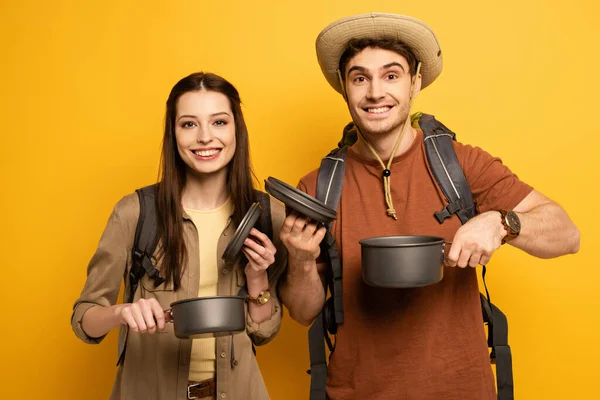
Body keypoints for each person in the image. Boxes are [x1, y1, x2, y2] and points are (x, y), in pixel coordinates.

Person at [278, 12, 580, 399]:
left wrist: (502, 222)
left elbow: (567, 235)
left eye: (391, 75)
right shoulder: (318, 186)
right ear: (344, 87)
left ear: (415, 82)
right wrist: (301, 261)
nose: (374, 93)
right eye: (359, 78)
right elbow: (303, 313)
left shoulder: (462, 163)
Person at [71, 72, 287, 400]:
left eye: (218, 122)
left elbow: (263, 332)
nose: (204, 137)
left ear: (236, 130)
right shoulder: (134, 213)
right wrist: (122, 313)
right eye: (189, 124)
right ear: (173, 134)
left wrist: (257, 278)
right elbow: (84, 320)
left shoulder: (267, 214)